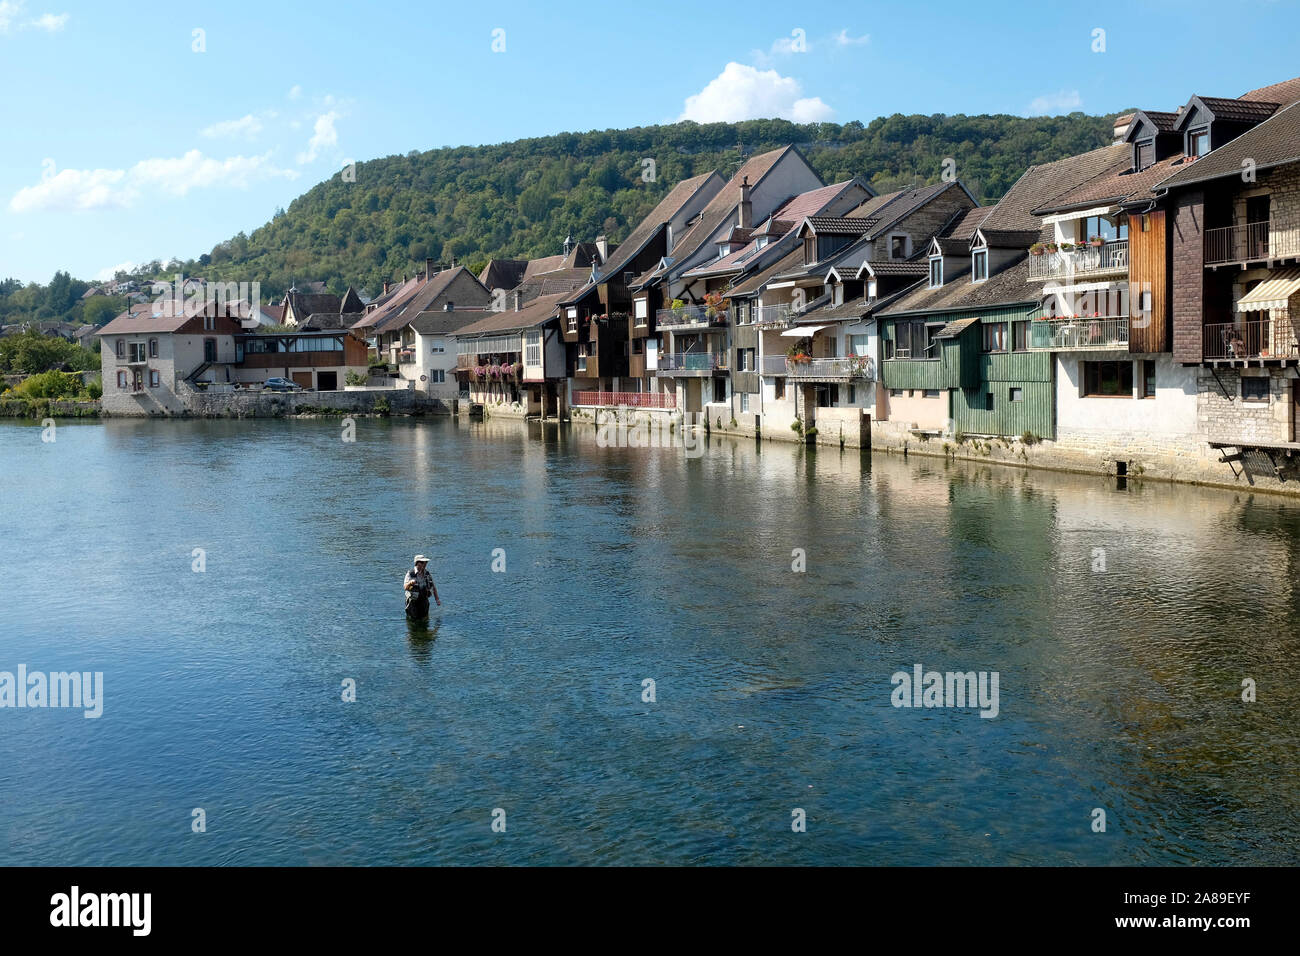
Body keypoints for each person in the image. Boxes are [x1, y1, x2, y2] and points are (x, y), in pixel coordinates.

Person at [404, 554, 440, 621]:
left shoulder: (427, 573)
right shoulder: (410, 573)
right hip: (413, 601)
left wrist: (437, 599)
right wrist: (410, 583)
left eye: (426, 562)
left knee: (424, 618)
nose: (425, 564)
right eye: (423, 562)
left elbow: (433, 587)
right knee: (413, 620)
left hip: (424, 600)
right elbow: (405, 587)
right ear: (417, 563)